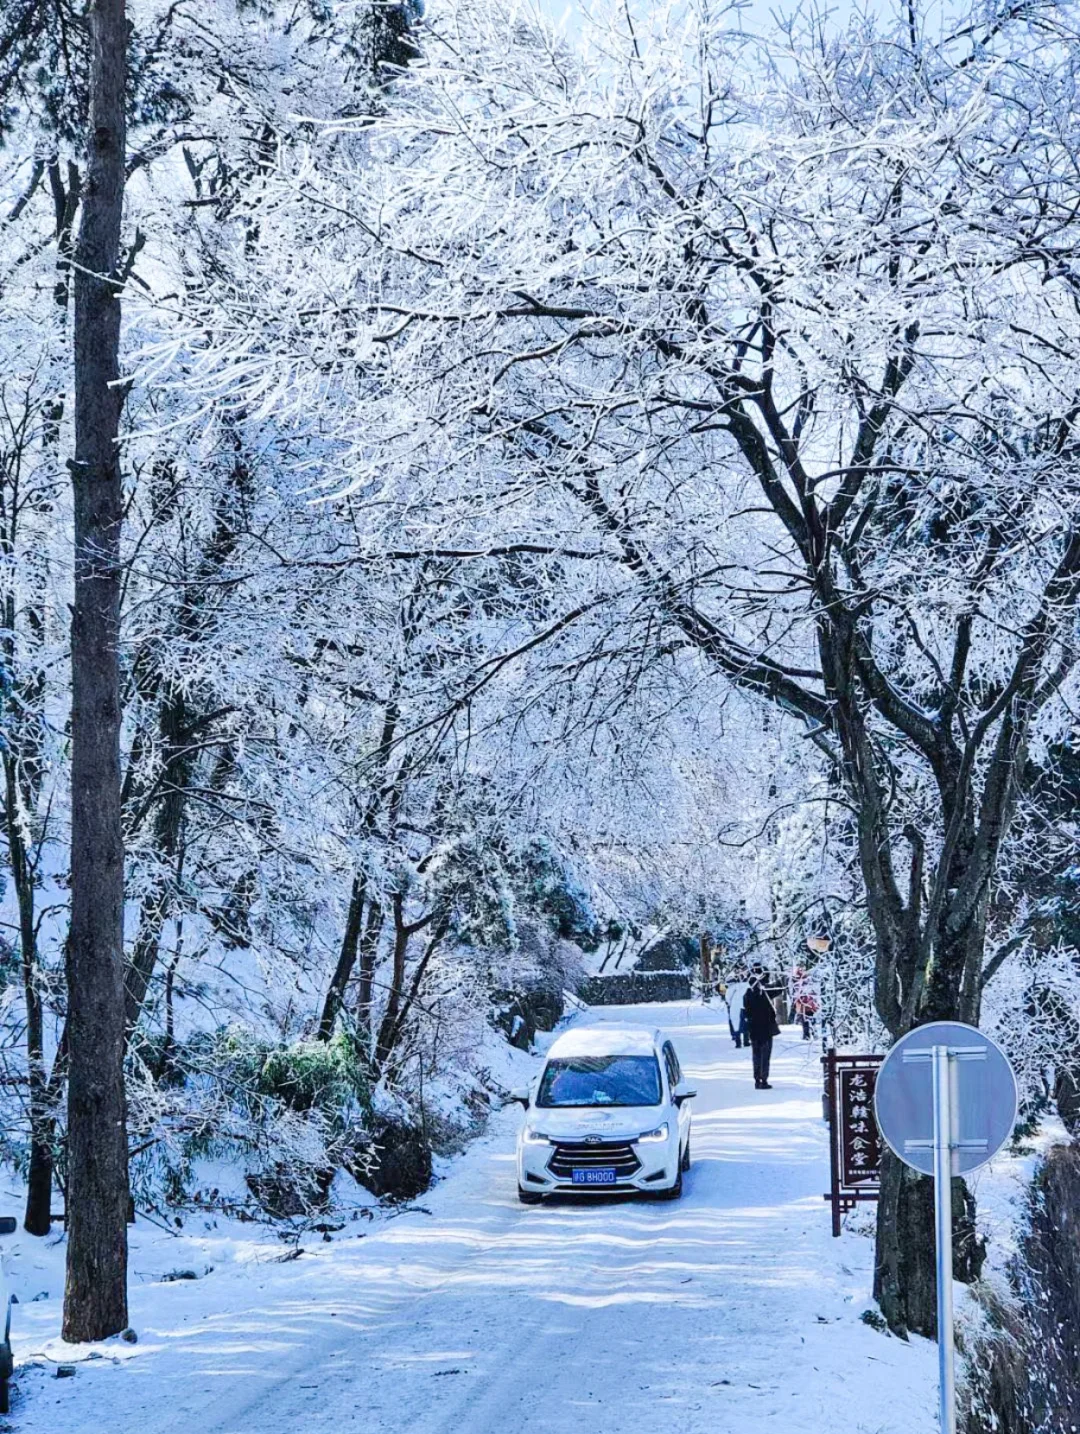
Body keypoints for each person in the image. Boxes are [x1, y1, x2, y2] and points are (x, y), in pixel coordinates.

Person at [743, 968, 780, 1089]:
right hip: (766, 1031)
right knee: (765, 1056)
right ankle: (763, 1079)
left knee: (756, 1055)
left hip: (754, 1031)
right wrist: (778, 975)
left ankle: (757, 1079)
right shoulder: (764, 993)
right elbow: (778, 989)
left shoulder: (747, 996)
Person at [725, 974, 750, 1049]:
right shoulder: (743, 986)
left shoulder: (730, 990)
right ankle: (746, 1041)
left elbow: (728, 1000)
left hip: (734, 1008)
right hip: (744, 1007)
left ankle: (738, 1043)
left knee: (736, 1025)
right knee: (745, 1024)